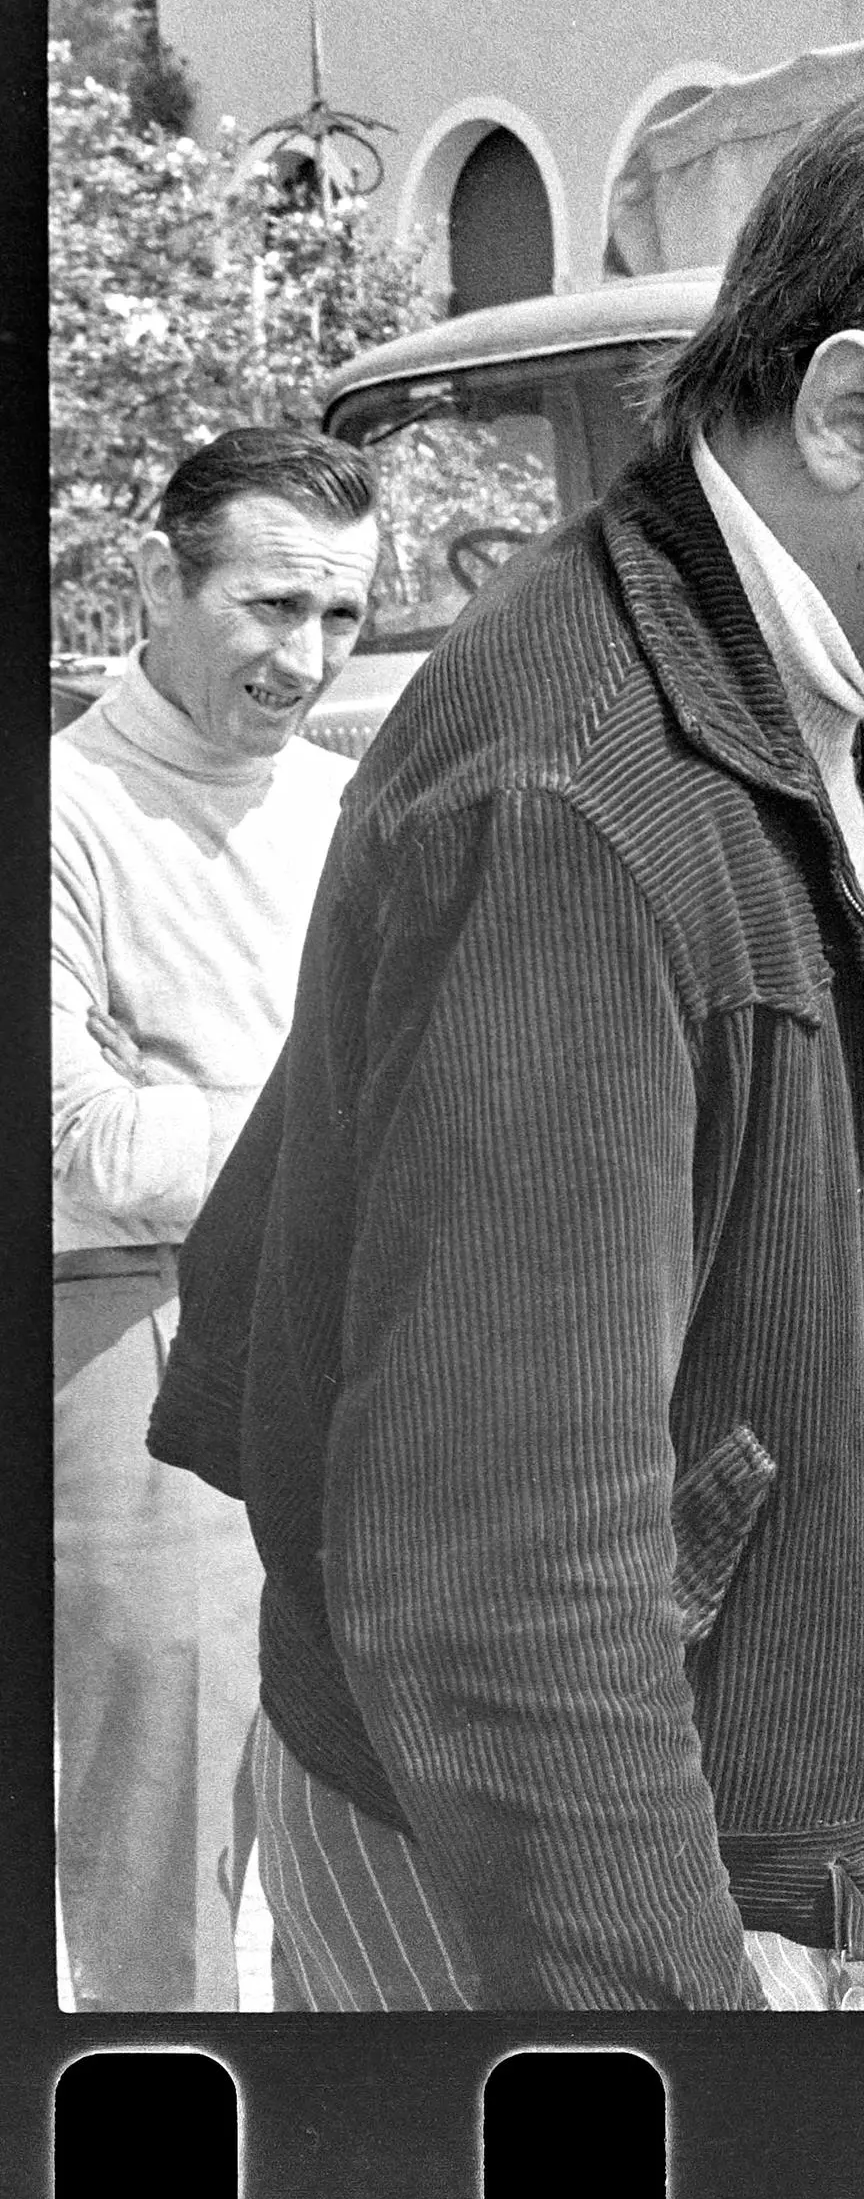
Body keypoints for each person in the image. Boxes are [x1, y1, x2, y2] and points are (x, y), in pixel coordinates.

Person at [148, 68, 864, 2009]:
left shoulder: (780, 685)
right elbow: (495, 1588)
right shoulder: (583, 800)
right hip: (517, 1860)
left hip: (610, 1808)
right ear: (848, 407)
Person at [51, 427, 381, 2008]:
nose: (304, 657)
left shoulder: (355, 801)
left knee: (375, 1817)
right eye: (267, 606)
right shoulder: (64, 809)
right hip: (136, 1331)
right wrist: (362, 1112)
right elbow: (79, 1142)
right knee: (167, 1845)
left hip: (361, 1328)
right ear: (154, 584)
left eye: (339, 616)